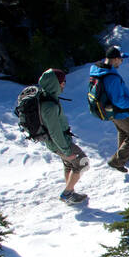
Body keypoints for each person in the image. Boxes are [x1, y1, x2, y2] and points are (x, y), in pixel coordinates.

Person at [36, 68, 89, 205]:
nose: (64, 85)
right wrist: (66, 150)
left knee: (69, 165)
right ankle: (67, 193)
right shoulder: (49, 105)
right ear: (55, 84)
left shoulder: (46, 97)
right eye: (62, 82)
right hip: (59, 143)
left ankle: (70, 192)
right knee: (82, 162)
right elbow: (54, 131)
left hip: (57, 142)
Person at [88, 46, 129, 172]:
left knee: (123, 131)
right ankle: (117, 162)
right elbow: (120, 101)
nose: (122, 62)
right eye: (121, 60)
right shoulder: (111, 78)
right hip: (119, 111)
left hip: (107, 109)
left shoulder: (98, 69)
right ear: (116, 59)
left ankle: (125, 155)